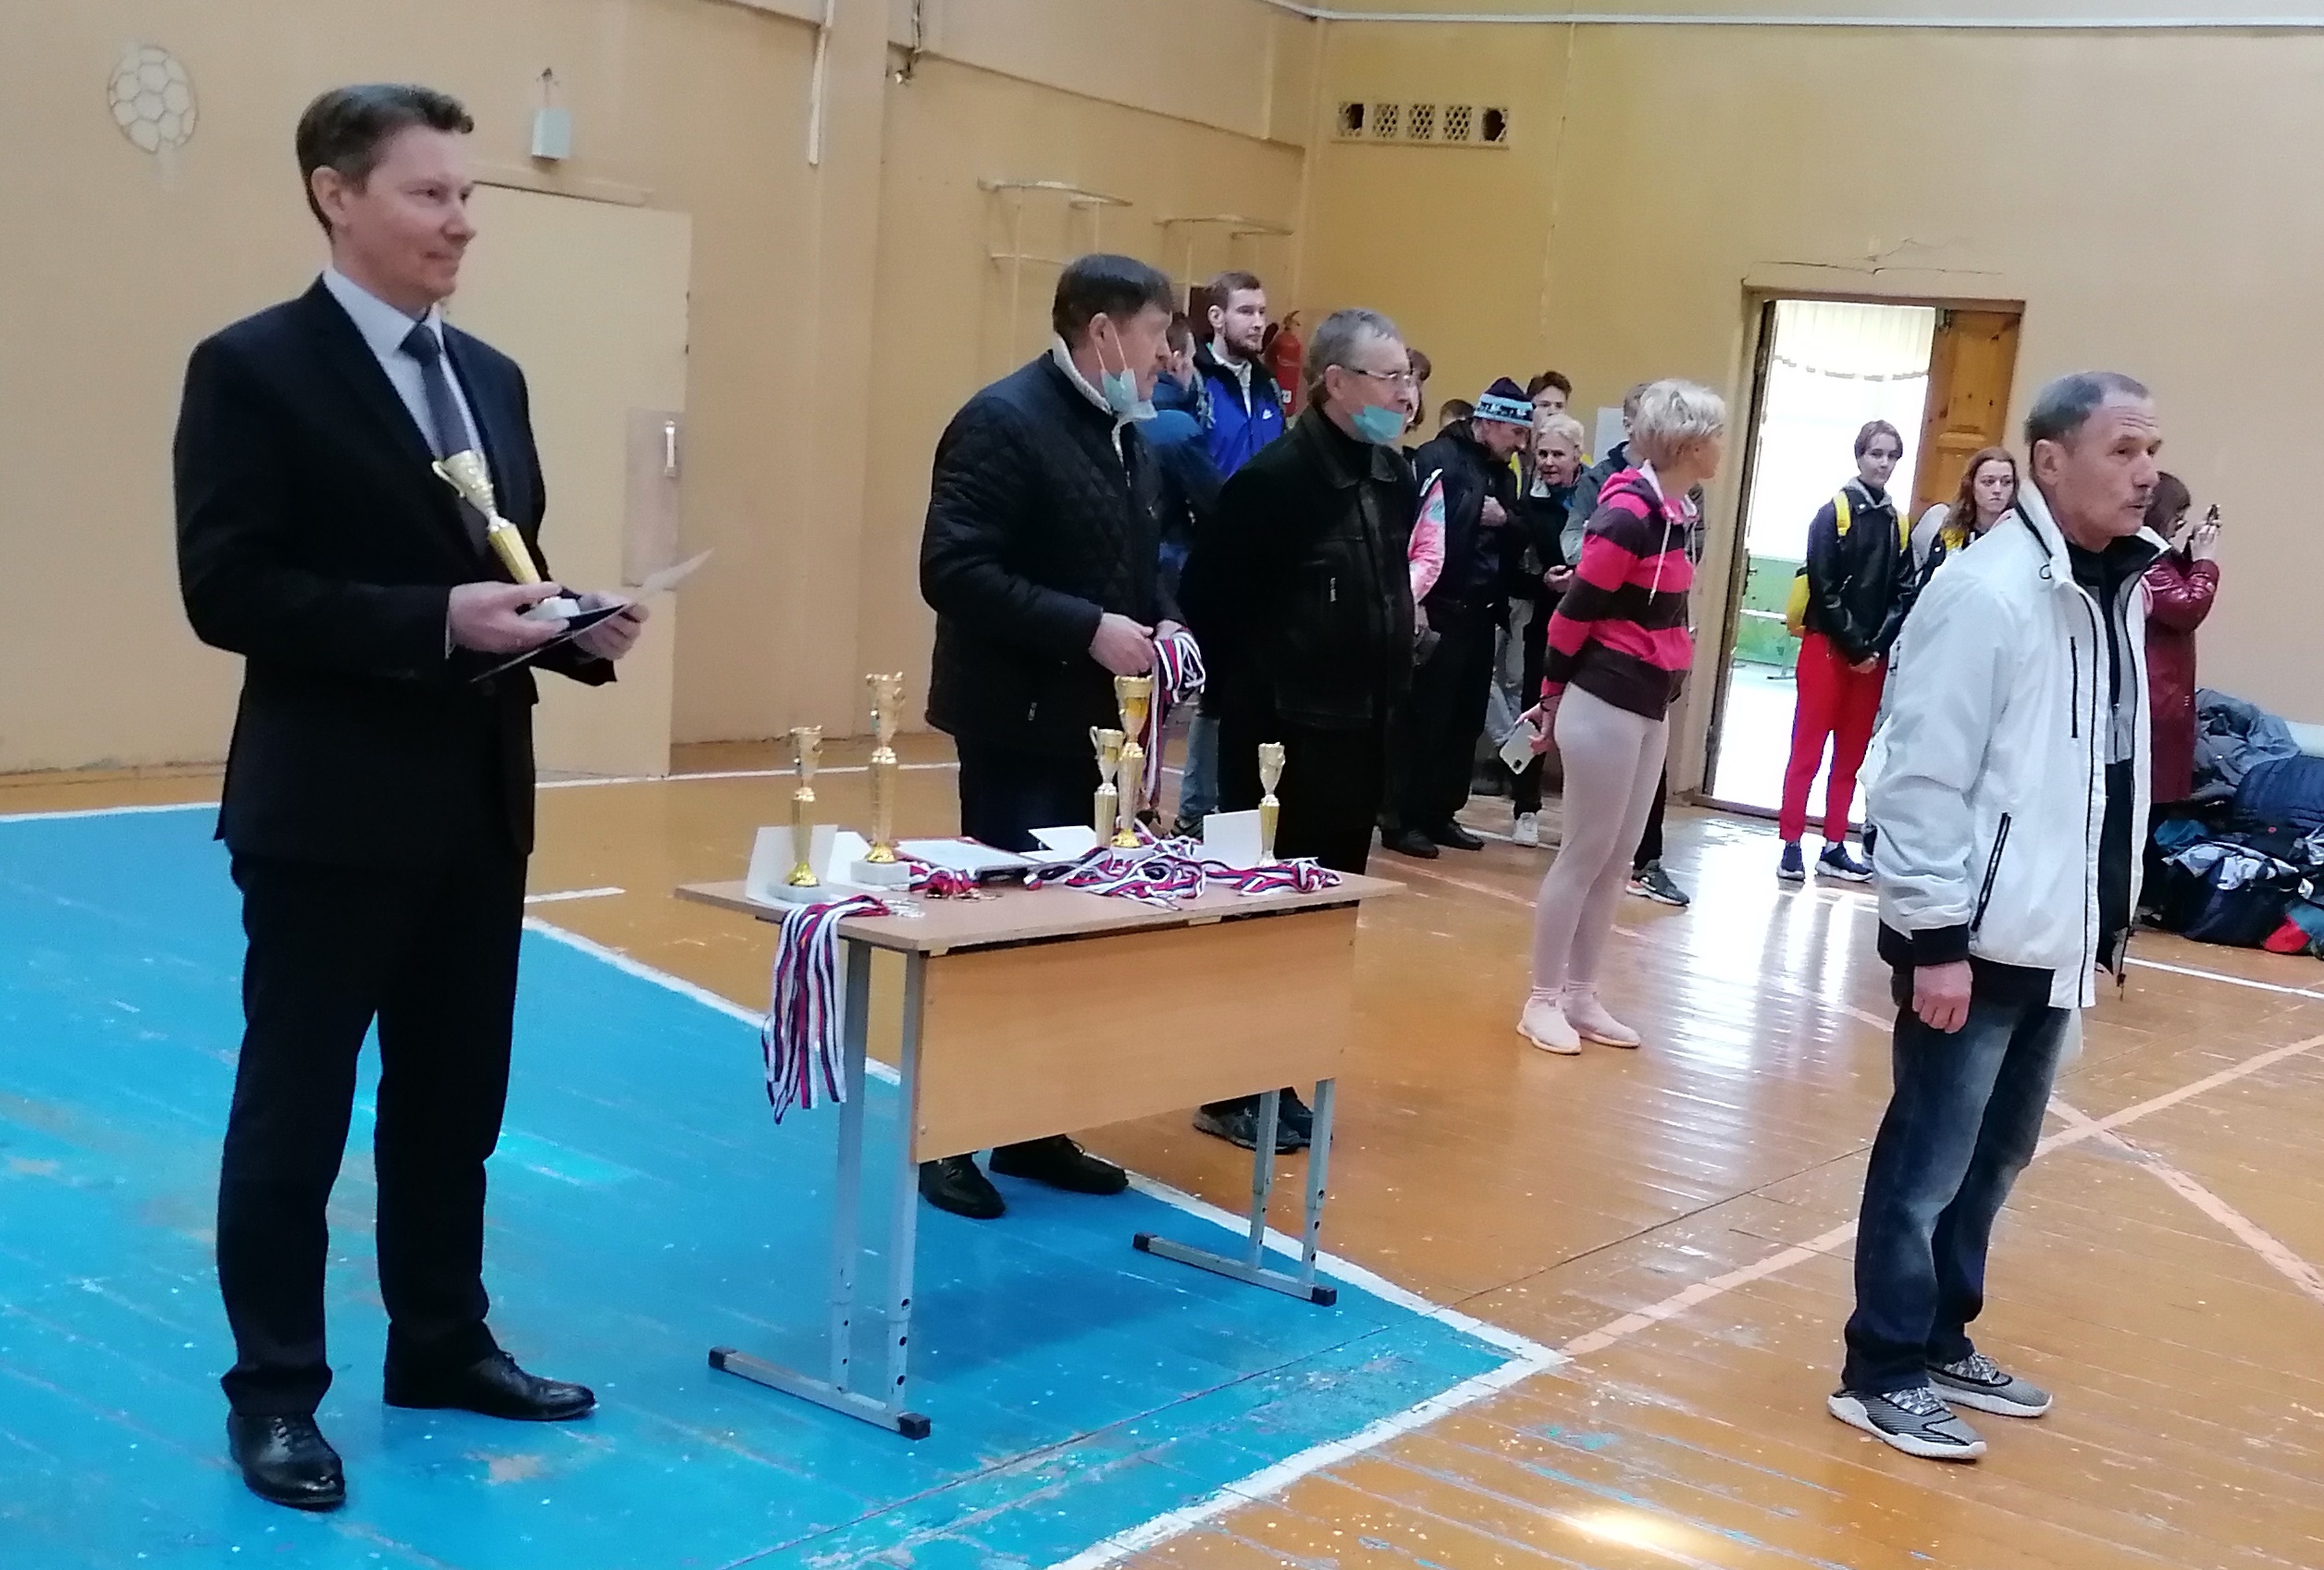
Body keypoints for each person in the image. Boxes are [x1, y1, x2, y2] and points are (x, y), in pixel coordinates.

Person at [174, 84, 650, 1512]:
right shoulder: (252, 369)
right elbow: (229, 588)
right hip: (329, 811)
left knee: (453, 1104)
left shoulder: (490, 376)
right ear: (337, 194)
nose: (461, 222)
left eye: (467, 195)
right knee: (296, 1114)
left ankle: (441, 1339)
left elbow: (505, 565)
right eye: (430, 194)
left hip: (475, 802)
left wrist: (572, 627)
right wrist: (434, 619)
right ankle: (275, 1393)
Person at [1834, 371, 2163, 1461]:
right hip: (1968, 944)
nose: (2145, 472)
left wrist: (2101, 922)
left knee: (1995, 1158)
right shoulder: (1984, 592)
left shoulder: (2111, 588)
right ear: (2049, 461)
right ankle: (1880, 1367)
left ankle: (1938, 1337)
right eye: (2121, 449)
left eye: (2151, 450)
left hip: (2051, 935)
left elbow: (2097, 774)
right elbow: (1919, 775)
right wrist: (1934, 940)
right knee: (1926, 1161)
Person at [919, 253, 1181, 1219]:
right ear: (1104, 331)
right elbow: (952, 569)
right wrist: (1086, 628)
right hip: (1016, 724)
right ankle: (945, 1138)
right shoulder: (1002, 420)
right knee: (994, 935)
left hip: (1095, 732)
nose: (1168, 357)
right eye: (1157, 335)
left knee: (1065, 937)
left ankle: (1031, 1127)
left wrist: (1166, 623)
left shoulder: (1124, 434)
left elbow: (1134, 567)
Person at [1181, 309, 1418, 1150]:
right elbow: (1211, 602)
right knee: (1263, 915)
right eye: (1390, 377)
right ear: (1336, 383)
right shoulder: (1274, 482)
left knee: (1323, 916)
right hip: (1279, 738)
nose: (1406, 393)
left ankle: (1281, 1069)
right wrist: (1260, 698)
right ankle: (1230, 1085)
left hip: (1361, 732)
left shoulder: (1390, 471)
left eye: (1409, 376)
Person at [1517, 380, 1725, 1055]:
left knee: (1617, 859)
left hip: (1648, 701)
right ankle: (1542, 999)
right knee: (1584, 852)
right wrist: (1552, 694)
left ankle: (1582, 995)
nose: (1721, 446)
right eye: (1715, 435)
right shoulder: (1629, 514)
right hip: (1604, 695)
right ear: (1689, 444)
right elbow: (1573, 613)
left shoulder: (1680, 510)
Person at [1383, 381, 1531, 859]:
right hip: (1442, 608)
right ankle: (1400, 818)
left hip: (1482, 613)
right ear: (1487, 422)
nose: (1520, 444)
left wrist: (1505, 521)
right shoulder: (1438, 458)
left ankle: (1440, 811)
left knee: (1464, 722)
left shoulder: (1504, 475)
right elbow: (1416, 531)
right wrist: (1416, 602)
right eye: (1514, 432)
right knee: (1423, 719)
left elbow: (1516, 530)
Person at [1779, 420, 1915, 885]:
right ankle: (1791, 843)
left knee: (1850, 758)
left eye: (1891, 456)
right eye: (1876, 453)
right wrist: (1856, 644)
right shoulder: (1832, 513)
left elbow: (1904, 591)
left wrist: (1876, 646)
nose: (1884, 463)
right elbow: (1824, 585)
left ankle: (1834, 845)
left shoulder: (1897, 521)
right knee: (1807, 752)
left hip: (1869, 659)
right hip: (1827, 650)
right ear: (1859, 456)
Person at [1176, 275, 1286, 835]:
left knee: (1242, 685)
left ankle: (1231, 809)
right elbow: (1184, 460)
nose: (1258, 321)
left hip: (1260, 557)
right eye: (1246, 311)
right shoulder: (1193, 381)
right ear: (1216, 318)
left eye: (1262, 311)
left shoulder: (1267, 387)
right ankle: (1194, 811)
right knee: (1211, 688)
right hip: (1203, 552)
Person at [1509, 414, 1583, 848]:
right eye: (1543, 453)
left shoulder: (1595, 496)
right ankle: (1525, 808)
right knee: (1534, 711)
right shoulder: (1528, 504)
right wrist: (1544, 581)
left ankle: (1580, 816)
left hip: (1588, 625)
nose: (1550, 462)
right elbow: (1516, 570)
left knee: (1583, 722)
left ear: (1577, 455)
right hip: (1545, 622)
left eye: (1558, 454)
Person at [2141, 473, 2221, 809]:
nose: (2181, 521)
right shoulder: (2142, 556)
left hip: (2166, 693)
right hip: (2155, 695)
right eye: (2178, 513)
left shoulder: (2157, 555)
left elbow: (2175, 583)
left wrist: (2191, 551)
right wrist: (2205, 561)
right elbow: (2186, 608)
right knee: (2152, 800)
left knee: (2163, 795)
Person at [1148, 315, 1223, 623]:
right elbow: (1217, 507)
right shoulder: (1178, 428)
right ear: (1177, 361)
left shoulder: (1117, 412)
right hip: (1169, 567)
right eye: (1192, 361)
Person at [1911, 446, 2017, 583]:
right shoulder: (1941, 520)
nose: (1998, 490)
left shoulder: (2020, 533)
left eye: (2006, 482)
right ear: (1971, 485)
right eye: (1988, 482)